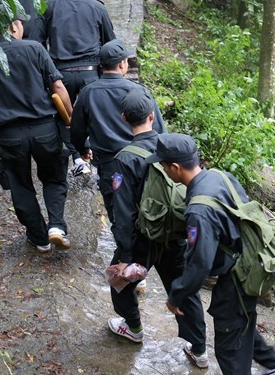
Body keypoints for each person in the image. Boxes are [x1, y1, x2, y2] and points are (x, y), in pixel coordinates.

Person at [153, 134, 275, 375]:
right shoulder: (219, 176)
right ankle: (273, 363)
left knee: (229, 348)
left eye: (164, 166)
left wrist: (176, 296)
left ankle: (268, 364)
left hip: (236, 278)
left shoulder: (199, 210)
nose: (163, 170)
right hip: (252, 260)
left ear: (175, 168)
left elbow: (200, 263)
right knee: (240, 324)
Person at [106, 91, 207, 364]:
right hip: (175, 235)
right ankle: (199, 350)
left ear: (124, 119)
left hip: (141, 239)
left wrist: (125, 256)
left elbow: (123, 212)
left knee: (120, 282)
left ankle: (134, 328)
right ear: (153, 116)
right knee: (183, 289)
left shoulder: (124, 159)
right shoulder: (175, 147)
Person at [0, 13, 73, 253]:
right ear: (14, 26)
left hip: (9, 134)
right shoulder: (34, 48)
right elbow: (57, 85)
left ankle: (39, 238)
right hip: (45, 128)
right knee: (54, 177)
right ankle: (56, 226)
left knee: (20, 185)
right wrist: (70, 117)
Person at [70, 39, 166, 227]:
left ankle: (125, 253)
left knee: (118, 219)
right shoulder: (139, 91)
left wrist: (83, 149)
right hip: (141, 164)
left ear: (101, 65)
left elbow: (77, 130)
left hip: (110, 167)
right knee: (146, 213)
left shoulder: (88, 93)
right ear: (122, 63)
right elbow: (160, 132)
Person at [30, 0, 115, 173]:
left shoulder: (50, 5)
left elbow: (35, 42)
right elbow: (110, 44)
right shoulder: (98, 7)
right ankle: (99, 159)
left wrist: (47, 72)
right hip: (91, 73)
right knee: (94, 115)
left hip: (60, 75)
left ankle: (77, 159)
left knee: (62, 117)